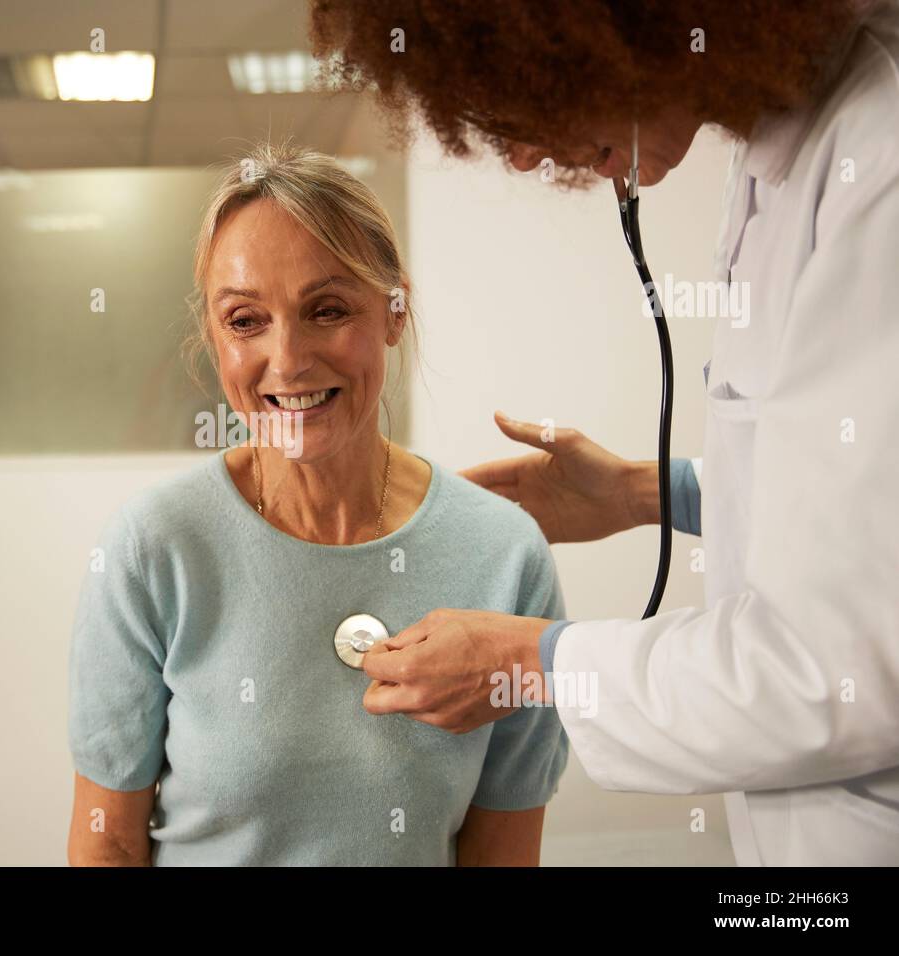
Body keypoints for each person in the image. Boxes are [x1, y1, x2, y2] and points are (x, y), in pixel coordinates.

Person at [309, 0, 899, 864]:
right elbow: (852, 501)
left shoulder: (875, 159)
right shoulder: (781, 143)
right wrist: (646, 492)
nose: (517, 151)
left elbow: (838, 663)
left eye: (519, 104)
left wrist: (532, 661)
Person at [66, 143, 568, 865]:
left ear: (395, 312)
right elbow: (106, 842)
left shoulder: (504, 556)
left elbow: (503, 855)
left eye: (326, 309)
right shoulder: (154, 549)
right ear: (213, 337)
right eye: (245, 321)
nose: (289, 359)